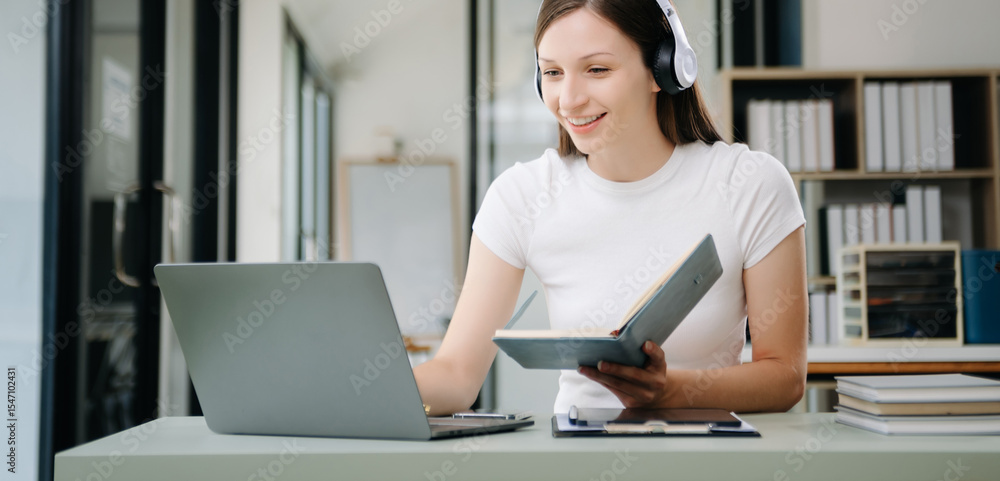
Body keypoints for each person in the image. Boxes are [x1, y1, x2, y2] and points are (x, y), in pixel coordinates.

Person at [413, 0, 807, 415]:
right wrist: (352, 392)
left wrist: (670, 390)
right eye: (552, 72)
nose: (568, 100)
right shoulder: (522, 196)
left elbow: (784, 377)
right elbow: (456, 376)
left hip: (708, 457)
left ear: (664, 69)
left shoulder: (749, 185)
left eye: (597, 70)